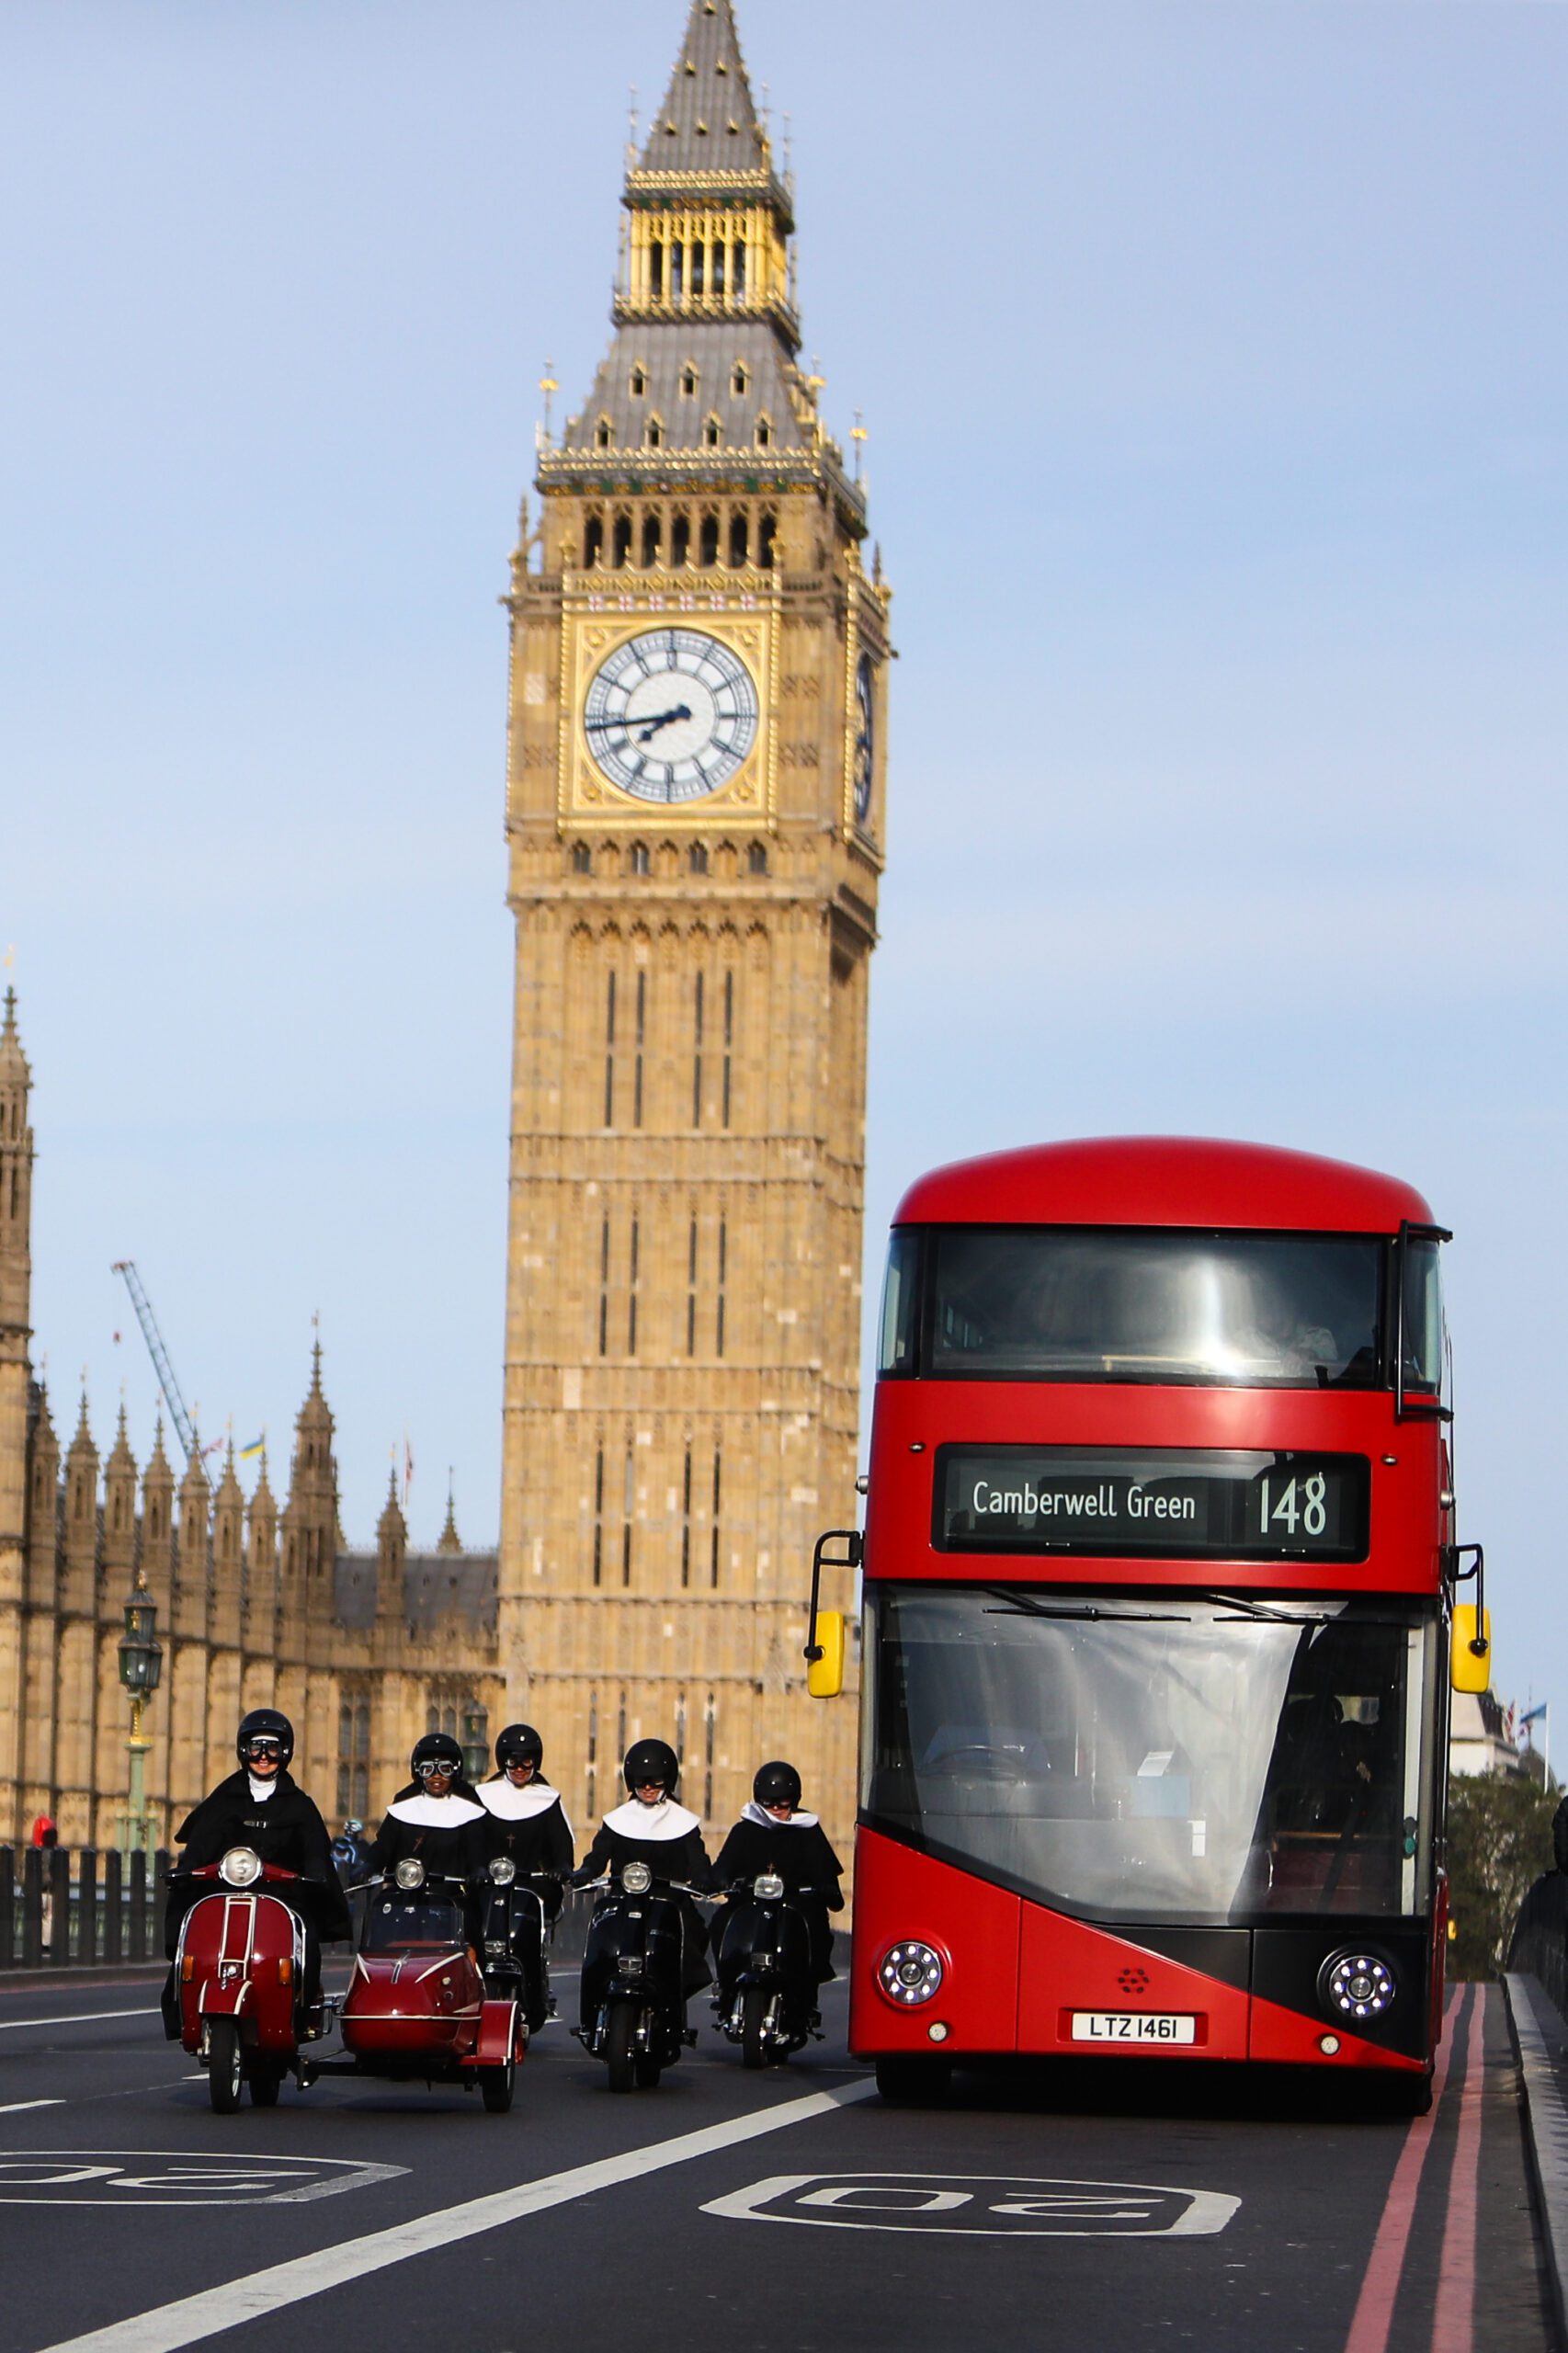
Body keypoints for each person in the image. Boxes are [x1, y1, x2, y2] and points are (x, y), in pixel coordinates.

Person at [162, 1708, 350, 2034]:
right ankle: (181, 2009)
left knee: (306, 1939)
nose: (263, 1756)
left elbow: (314, 1850)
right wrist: (188, 1870)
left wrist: (315, 1873)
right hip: (225, 1892)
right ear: (243, 1751)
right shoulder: (223, 1801)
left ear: (285, 1753)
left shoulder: (299, 1805)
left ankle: (304, 2010)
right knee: (188, 1931)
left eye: (272, 1748)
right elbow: (201, 1844)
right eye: (255, 1748)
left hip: (282, 1896)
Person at [574, 1736, 715, 1994]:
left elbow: (698, 1861)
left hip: (668, 1905)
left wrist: (704, 1878)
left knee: (692, 1934)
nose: (648, 1788)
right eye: (641, 1782)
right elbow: (598, 1855)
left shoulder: (683, 1823)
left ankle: (674, 2000)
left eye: (656, 1782)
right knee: (600, 1938)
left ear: (668, 1782)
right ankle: (595, 2008)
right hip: (624, 1901)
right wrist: (586, 1873)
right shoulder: (618, 1820)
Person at [712, 1760, 844, 1997]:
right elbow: (725, 1865)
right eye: (768, 1802)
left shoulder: (807, 1830)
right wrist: (718, 1880)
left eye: (782, 1802)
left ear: (794, 1800)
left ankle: (807, 1989)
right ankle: (726, 1983)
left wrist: (827, 1887)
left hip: (794, 1904)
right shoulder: (745, 1830)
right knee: (721, 1920)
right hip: (750, 1904)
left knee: (815, 1924)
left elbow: (824, 1869)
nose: (775, 1809)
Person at [477, 1722, 574, 1916]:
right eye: (513, 1761)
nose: (519, 1768)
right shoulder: (483, 1796)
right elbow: (472, 1843)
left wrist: (561, 1868)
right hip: (490, 1888)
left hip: (533, 1891)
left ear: (535, 1762)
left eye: (526, 1762)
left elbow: (562, 1847)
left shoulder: (548, 1800)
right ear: (504, 1761)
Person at [366, 1732, 488, 1883]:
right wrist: (369, 1866)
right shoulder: (404, 1803)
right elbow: (384, 1846)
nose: (436, 1776)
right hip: (405, 1895)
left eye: (445, 1769)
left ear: (455, 1771)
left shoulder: (469, 1808)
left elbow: (478, 1852)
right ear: (418, 1772)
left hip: (450, 1897)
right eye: (427, 1769)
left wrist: (479, 1870)